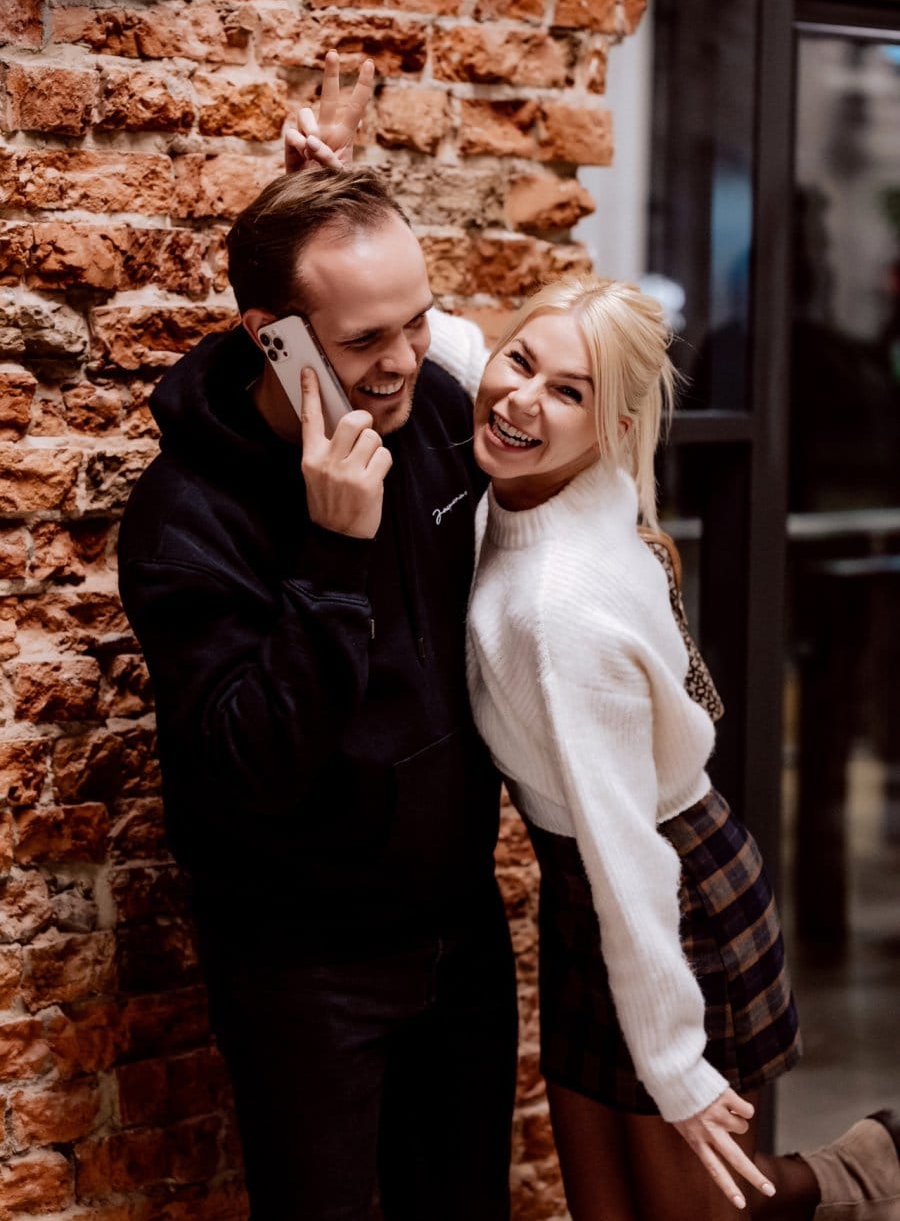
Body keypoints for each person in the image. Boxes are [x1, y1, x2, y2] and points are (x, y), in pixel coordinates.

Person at [116, 75, 518, 1216]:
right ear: (270, 335)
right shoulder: (185, 518)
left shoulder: (432, 410)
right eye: (364, 338)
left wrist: (325, 203)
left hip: (459, 931)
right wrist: (333, 560)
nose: (403, 360)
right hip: (305, 968)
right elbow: (249, 760)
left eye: (416, 321)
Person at [422, 277, 900, 1220]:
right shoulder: (556, 471)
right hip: (586, 894)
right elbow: (460, 346)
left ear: (613, 427)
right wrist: (344, 189)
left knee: (693, 1210)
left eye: (570, 392)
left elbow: (626, 852)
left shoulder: (556, 606)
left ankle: (852, 1175)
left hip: (669, 896)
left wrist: (678, 1066)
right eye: (523, 362)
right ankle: (858, 1170)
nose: (522, 398)